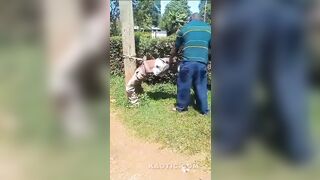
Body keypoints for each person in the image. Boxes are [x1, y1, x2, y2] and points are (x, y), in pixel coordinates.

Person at [170, 13, 211, 115]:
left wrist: (171, 57)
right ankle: (204, 110)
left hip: (188, 62)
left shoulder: (184, 28)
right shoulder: (209, 28)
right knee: (201, 85)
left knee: (184, 84)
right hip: (202, 62)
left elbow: (176, 46)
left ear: (190, 19)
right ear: (201, 19)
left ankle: (181, 107)